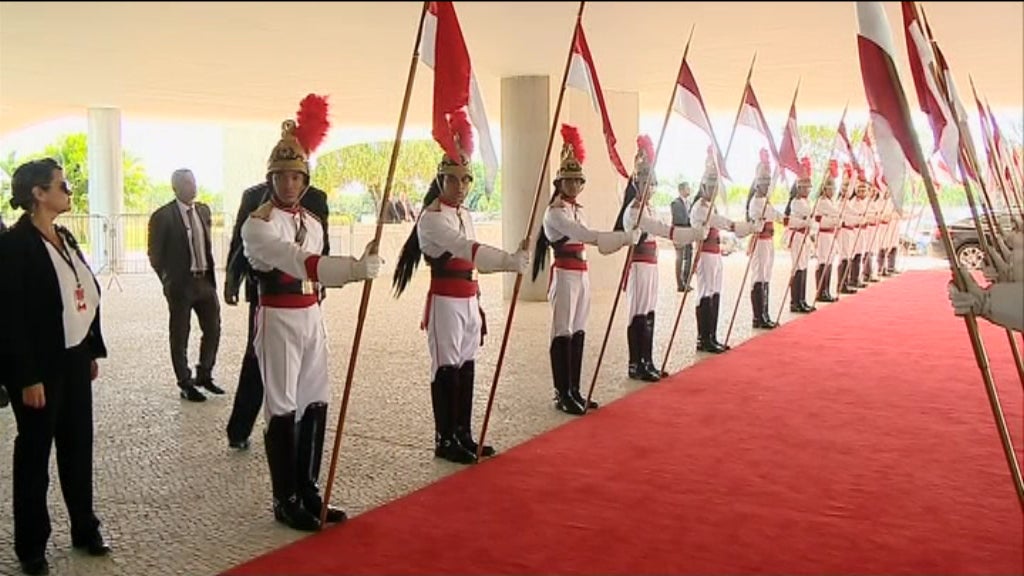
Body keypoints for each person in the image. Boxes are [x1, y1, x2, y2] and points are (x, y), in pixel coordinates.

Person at [240, 94, 382, 531]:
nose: (288, 183)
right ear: (270, 178)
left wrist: (355, 267)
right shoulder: (258, 224)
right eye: (281, 176)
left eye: (295, 176)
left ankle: (309, 489)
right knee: (281, 406)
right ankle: (284, 499)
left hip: (310, 314)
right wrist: (354, 269)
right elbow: (297, 260)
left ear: (305, 180)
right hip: (278, 315)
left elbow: (317, 268)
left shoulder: (315, 223)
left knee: (315, 399)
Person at [392, 110, 529, 464]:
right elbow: (467, 249)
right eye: (453, 180)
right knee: (447, 367)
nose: (461, 187)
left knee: (467, 365)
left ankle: (463, 434)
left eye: (466, 180)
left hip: (468, 298)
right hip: (446, 301)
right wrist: (509, 261)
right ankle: (445, 438)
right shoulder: (432, 219)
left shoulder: (464, 214)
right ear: (441, 181)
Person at [1, 158, 111, 575]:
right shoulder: (14, 245)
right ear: (38, 193)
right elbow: (9, 319)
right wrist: (27, 377)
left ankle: (85, 527)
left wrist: (90, 349)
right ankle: (31, 545)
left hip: (74, 358)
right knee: (34, 455)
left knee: (78, 447)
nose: (69, 191)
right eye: (62, 185)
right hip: (39, 368)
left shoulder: (65, 237)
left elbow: (83, 292)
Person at [531, 124, 634, 415]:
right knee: (562, 331)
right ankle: (561, 392)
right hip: (564, 275)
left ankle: (575, 389)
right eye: (569, 181)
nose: (574, 185)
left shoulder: (578, 209)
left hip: (581, 273)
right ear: (560, 182)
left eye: (578, 181)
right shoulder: (555, 213)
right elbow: (584, 235)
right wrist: (622, 238)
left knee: (578, 331)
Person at [224, 181, 330, 451]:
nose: (289, 182)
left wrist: (322, 284)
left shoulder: (316, 199)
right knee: (256, 359)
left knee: (305, 371)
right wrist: (232, 279)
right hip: (268, 295)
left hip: (305, 295)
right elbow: (239, 243)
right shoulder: (254, 196)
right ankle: (240, 427)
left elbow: (322, 245)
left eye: (296, 175)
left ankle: (297, 433)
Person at [147, 169, 223, 402]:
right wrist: (168, 281)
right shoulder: (162, 216)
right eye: (188, 183)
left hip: (205, 282)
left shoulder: (203, 211)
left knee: (213, 328)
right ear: (176, 188)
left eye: (194, 181)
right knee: (180, 334)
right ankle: (185, 382)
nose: (193, 187)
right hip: (181, 285)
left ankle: (204, 374)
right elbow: (154, 254)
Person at [691, 148, 759, 354]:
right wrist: (748, 227)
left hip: (715, 253)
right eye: (710, 186)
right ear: (703, 186)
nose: (713, 190)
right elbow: (724, 223)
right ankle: (703, 338)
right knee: (705, 294)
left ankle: (712, 336)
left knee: (715, 293)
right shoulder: (700, 207)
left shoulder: (710, 206)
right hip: (705, 254)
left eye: (715, 186)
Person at [746, 149, 784, 329]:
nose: (768, 186)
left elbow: (774, 213)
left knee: (766, 275)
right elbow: (774, 215)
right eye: (765, 183)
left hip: (768, 240)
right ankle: (758, 317)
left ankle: (765, 314)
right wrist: (785, 219)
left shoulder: (765, 201)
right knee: (759, 276)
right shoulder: (756, 202)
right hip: (760, 241)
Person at [783, 157, 816, 313]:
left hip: (804, 236)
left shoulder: (805, 201)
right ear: (800, 188)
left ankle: (801, 299)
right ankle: (795, 301)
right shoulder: (796, 202)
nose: (808, 190)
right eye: (806, 188)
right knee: (798, 267)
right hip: (797, 237)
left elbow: (810, 219)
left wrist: (809, 221)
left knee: (803, 266)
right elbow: (809, 215)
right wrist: (808, 221)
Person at [811, 161, 843, 304]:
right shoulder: (823, 202)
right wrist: (835, 220)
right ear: (825, 190)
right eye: (831, 189)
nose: (833, 191)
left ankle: (826, 290)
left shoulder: (830, 202)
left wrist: (835, 219)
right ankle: (821, 291)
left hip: (830, 235)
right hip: (824, 235)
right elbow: (836, 215)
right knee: (823, 261)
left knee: (829, 261)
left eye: (834, 188)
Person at [671, 182, 694, 292]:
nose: (689, 190)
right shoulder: (675, 203)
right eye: (687, 188)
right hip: (679, 235)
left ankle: (686, 281)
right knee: (679, 258)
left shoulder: (690, 203)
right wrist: (690, 221)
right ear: (681, 190)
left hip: (688, 234)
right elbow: (679, 220)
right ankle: (680, 284)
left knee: (688, 257)